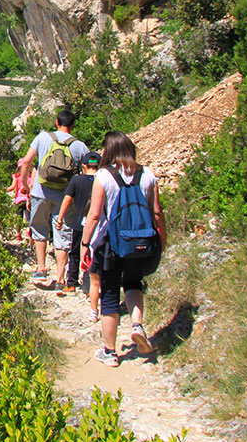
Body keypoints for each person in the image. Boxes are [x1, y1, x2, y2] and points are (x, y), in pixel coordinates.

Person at [81, 130, 167, 367]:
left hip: (112, 243)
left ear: (108, 151)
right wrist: (163, 238)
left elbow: (95, 215)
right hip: (141, 241)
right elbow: (156, 211)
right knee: (133, 282)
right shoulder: (147, 175)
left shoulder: (104, 176)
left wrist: (86, 244)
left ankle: (110, 351)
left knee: (109, 293)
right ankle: (137, 324)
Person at [20, 109, 88, 285]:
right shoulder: (79, 145)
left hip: (40, 192)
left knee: (38, 229)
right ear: (72, 126)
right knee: (63, 232)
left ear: (57, 122)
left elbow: (27, 161)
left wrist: (24, 185)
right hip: (65, 196)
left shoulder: (43, 137)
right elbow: (89, 170)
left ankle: (41, 269)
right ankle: (60, 278)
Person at [54, 151, 100, 299]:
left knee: (74, 253)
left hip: (79, 223)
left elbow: (67, 199)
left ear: (84, 166)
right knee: (94, 253)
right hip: (98, 224)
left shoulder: (77, 180)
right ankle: (90, 285)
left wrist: (60, 217)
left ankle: (72, 282)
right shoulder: (104, 180)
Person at [6, 156, 34, 243]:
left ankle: (18, 234)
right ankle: (29, 234)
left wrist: (5, 189)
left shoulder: (16, 177)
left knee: (18, 217)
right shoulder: (30, 177)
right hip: (27, 199)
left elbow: (12, 187)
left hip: (18, 200)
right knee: (29, 217)